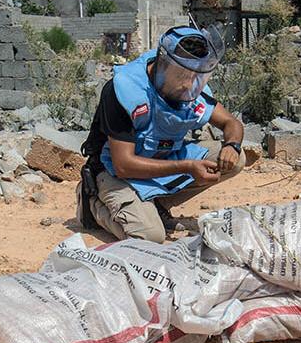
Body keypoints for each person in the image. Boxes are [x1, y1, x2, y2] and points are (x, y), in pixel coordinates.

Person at [77, 25, 245, 244]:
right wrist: (187, 167)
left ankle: (158, 205)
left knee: (236, 160)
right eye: (182, 75)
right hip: (115, 171)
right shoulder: (127, 90)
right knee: (150, 236)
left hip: (161, 158)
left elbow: (231, 122)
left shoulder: (192, 87)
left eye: (195, 75)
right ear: (163, 64)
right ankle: (93, 204)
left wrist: (232, 145)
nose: (188, 83)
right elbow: (123, 164)